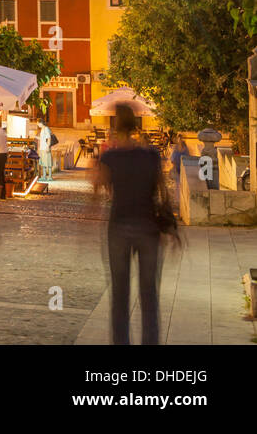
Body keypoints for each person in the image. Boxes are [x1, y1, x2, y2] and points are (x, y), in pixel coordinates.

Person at [95, 103, 172, 345]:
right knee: (149, 294)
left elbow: (98, 189)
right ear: (136, 125)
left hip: (118, 228)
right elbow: (163, 191)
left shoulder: (109, 157)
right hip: (148, 229)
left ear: (116, 126)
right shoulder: (151, 156)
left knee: (120, 296)